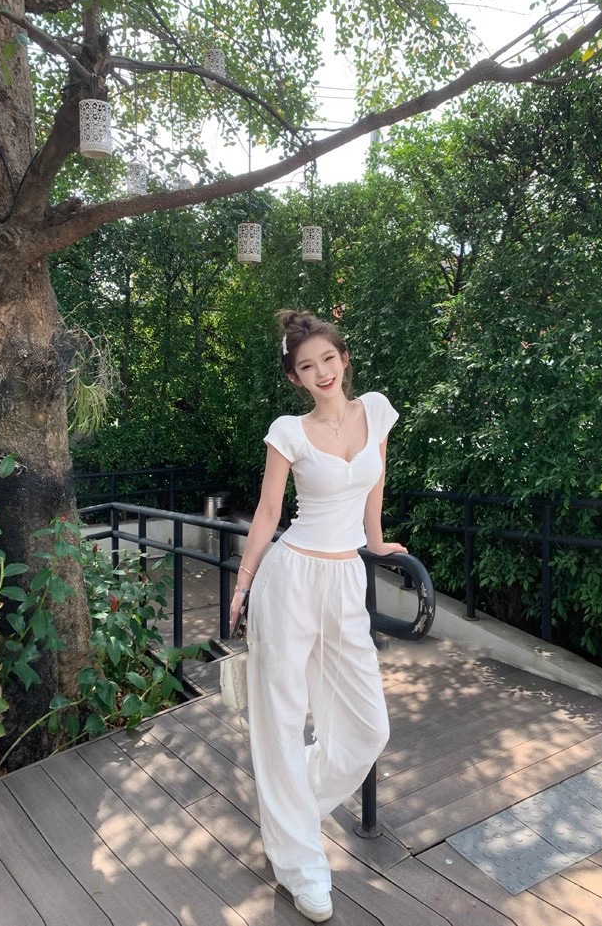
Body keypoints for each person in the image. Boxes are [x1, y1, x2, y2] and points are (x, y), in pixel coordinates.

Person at [229, 309, 407, 923]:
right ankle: (301, 865)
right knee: (280, 719)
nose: (322, 372)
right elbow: (268, 511)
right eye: (307, 366)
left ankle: (289, 808)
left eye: (328, 358)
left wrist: (376, 542)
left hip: (346, 577)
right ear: (295, 377)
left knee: (367, 729)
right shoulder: (289, 431)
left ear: (344, 358)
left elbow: (374, 488)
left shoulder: (375, 412)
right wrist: (244, 582)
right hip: (291, 577)